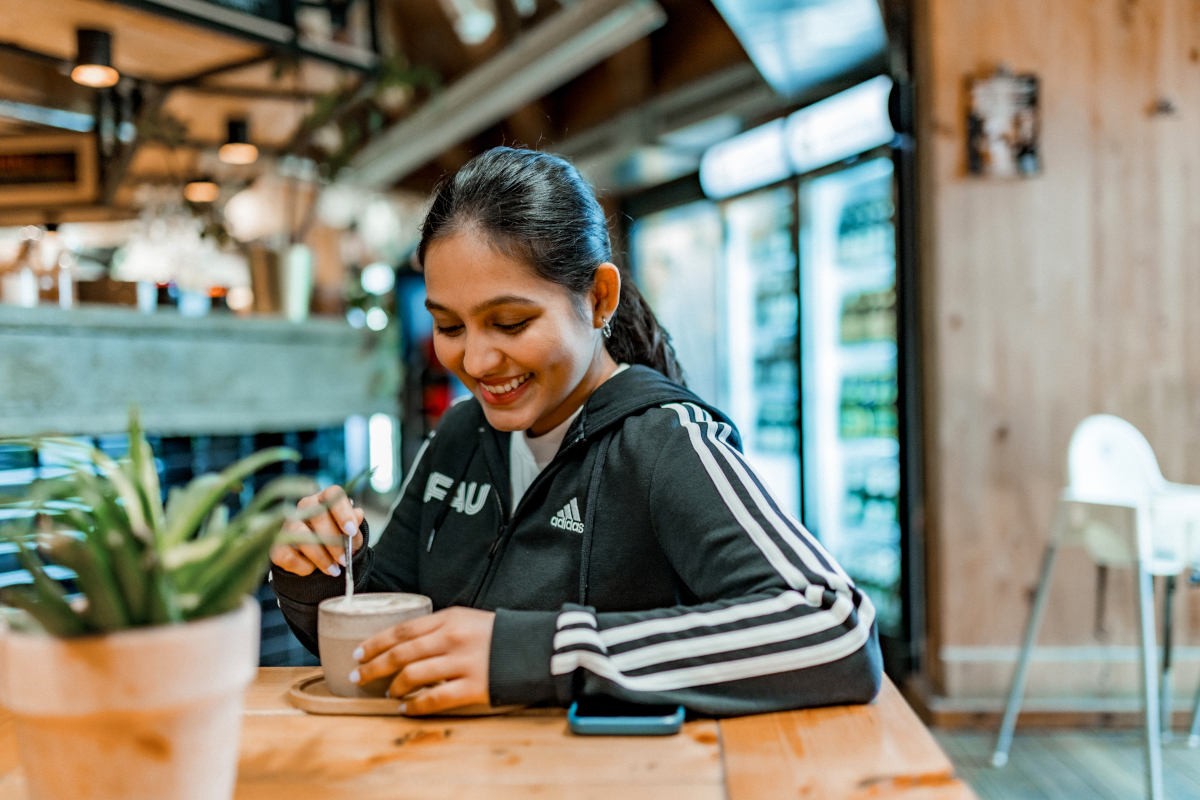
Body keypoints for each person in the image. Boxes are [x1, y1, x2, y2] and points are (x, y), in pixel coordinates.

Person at [269, 147, 882, 717]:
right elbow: (385, 644)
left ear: (598, 298)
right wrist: (320, 573)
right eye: (450, 327)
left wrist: (538, 653)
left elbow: (836, 627)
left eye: (510, 322)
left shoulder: (665, 443)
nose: (476, 361)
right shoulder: (459, 437)